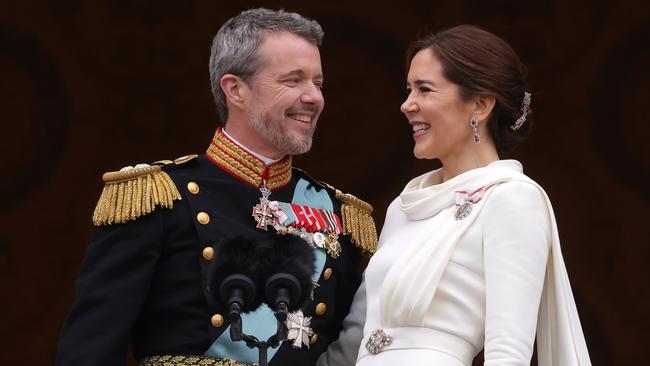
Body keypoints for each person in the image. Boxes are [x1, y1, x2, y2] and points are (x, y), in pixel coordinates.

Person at [56, 8, 378, 366]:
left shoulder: (339, 214)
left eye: (318, 83)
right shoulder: (160, 198)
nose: (314, 98)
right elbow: (90, 350)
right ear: (235, 89)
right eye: (293, 81)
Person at [319, 25, 591, 366]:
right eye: (408, 90)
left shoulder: (512, 199)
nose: (407, 105)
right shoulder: (404, 205)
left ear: (479, 104)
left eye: (425, 90)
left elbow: (508, 352)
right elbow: (358, 335)